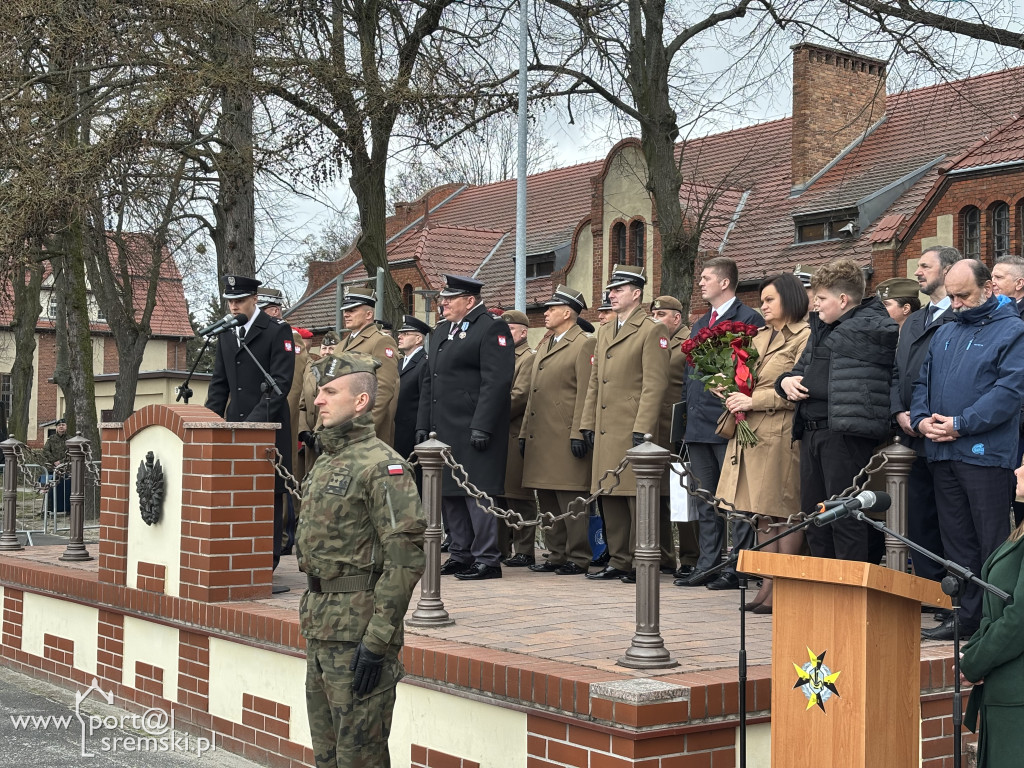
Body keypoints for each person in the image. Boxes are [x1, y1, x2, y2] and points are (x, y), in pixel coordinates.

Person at [298, 351, 425, 768]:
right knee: (327, 756)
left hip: (359, 634)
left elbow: (405, 560)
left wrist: (377, 640)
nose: (318, 399)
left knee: (360, 759)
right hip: (322, 628)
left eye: (330, 392)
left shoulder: (382, 466)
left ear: (361, 401)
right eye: (319, 391)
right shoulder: (326, 460)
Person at [912, 259, 1024, 642]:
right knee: (956, 540)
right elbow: (922, 382)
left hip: (985, 455)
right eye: (952, 296)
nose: (956, 304)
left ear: (988, 289)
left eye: (963, 296)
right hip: (943, 453)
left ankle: (997, 622)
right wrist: (921, 420)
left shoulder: (1013, 330)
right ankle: (966, 617)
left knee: (992, 540)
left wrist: (961, 423)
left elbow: (1009, 392)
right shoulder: (945, 330)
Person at [776, 258, 897, 565]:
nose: (815, 305)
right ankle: (825, 586)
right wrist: (785, 382)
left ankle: (848, 588)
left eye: (821, 298)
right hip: (812, 431)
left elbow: (827, 374)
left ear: (843, 300)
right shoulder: (824, 328)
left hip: (844, 433)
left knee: (845, 519)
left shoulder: (870, 327)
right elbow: (801, 371)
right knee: (816, 519)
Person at [716, 274, 810, 614]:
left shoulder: (806, 336)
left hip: (782, 434)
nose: (763, 306)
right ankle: (767, 584)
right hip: (753, 434)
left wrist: (752, 400)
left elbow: (800, 390)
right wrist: (725, 387)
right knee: (762, 515)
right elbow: (745, 379)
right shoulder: (758, 336)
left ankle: (785, 586)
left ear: (789, 299)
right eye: (762, 300)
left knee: (785, 513)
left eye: (770, 300)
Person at [416, 274, 514, 581]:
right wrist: (423, 424)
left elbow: (496, 381)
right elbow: (430, 381)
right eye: (443, 299)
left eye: (450, 299)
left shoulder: (491, 327)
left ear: (469, 301)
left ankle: (487, 558)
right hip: (443, 427)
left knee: (477, 492)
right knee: (450, 492)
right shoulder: (442, 331)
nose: (443, 304)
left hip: (474, 427)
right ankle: (461, 553)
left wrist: (483, 425)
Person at [677, 257, 763, 590]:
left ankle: (738, 567)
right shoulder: (700, 323)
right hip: (699, 424)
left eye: (706, 278)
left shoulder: (748, 319)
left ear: (725, 282)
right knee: (706, 499)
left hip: (729, 422)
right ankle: (708, 564)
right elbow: (690, 373)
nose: (700, 283)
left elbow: (752, 370)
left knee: (737, 500)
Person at [581, 265, 670, 582]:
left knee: (635, 496)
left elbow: (654, 384)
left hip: (632, 424)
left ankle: (638, 559)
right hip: (606, 425)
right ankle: (618, 559)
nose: (611, 295)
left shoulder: (652, 330)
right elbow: (595, 381)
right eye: (610, 290)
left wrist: (643, 429)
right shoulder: (605, 330)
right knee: (610, 492)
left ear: (636, 293)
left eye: (618, 290)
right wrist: (587, 422)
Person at [205, 274, 295, 570]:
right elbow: (219, 385)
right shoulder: (226, 333)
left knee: (269, 495)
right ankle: (240, 556)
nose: (234, 307)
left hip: (268, 427)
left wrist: (253, 424)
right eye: (230, 301)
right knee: (238, 492)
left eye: (240, 300)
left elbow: (281, 384)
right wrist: (208, 423)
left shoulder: (277, 331)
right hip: (235, 428)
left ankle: (267, 561)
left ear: (255, 299)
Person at [891, 246, 962, 589]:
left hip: (945, 432)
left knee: (951, 518)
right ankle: (927, 589)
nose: (917, 272)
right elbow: (897, 372)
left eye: (925, 266)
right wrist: (899, 411)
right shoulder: (914, 321)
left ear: (948, 271)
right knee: (918, 517)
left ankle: (955, 593)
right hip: (911, 432)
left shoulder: (961, 316)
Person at [519, 286, 596, 574]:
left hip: (564, 433)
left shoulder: (583, 343)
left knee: (571, 498)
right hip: (541, 434)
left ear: (567, 313)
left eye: (552, 308)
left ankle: (578, 556)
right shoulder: (546, 343)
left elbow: (586, 391)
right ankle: (556, 554)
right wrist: (524, 432)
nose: (546, 313)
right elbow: (533, 393)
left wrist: (579, 431)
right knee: (548, 498)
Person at [961, 462, 1024, 768]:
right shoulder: (1019, 534)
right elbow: (998, 608)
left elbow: (1019, 619)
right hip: (1006, 692)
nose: (1017, 472)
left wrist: (975, 661)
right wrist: (973, 650)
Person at [650, 295, 698, 580]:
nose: (656, 318)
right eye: (653, 314)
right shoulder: (653, 341)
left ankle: (692, 557)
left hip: (679, 430)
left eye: (661, 314)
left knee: (684, 494)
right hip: (654, 429)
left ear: (677, 318)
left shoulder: (688, 342)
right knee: (657, 496)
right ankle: (663, 557)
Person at [498, 310, 537, 562]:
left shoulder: (527, 358)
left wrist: (489, 413)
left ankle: (524, 550)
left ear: (523, 332)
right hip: (498, 434)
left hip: (514, 431)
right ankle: (501, 548)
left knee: (518, 495)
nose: (506, 333)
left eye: (511, 329)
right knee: (499, 495)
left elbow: (520, 396)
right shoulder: (501, 356)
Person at [338, 288, 400, 446]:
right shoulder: (340, 346)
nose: (346, 314)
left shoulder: (381, 341)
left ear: (368, 314)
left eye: (352, 310)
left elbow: (384, 388)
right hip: (339, 424)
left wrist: (366, 427)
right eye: (345, 310)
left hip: (364, 428)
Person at [393, 315, 431, 462]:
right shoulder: (400, 362)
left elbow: (425, 398)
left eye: (405, 334)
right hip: (397, 428)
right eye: (400, 333)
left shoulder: (424, 363)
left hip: (411, 429)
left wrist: (422, 427)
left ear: (418, 339)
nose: (400, 336)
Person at [42, 418, 71, 514]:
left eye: (63, 425)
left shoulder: (70, 439)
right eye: (59, 425)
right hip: (53, 469)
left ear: (66, 427)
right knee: (52, 490)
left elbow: (71, 453)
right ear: (56, 428)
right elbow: (45, 451)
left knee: (67, 489)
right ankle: (51, 508)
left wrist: (61, 462)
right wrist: (54, 461)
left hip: (66, 469)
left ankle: (67, 509)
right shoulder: (51, 439)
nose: (61, 427)